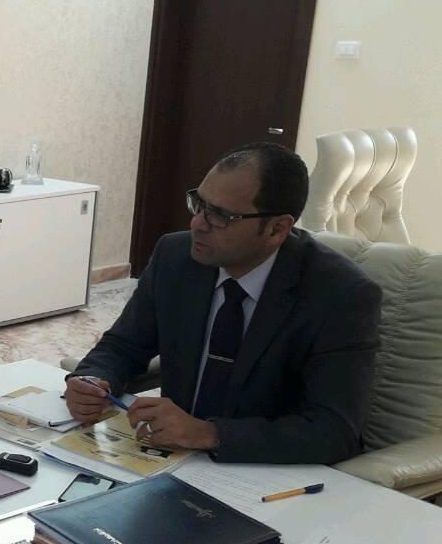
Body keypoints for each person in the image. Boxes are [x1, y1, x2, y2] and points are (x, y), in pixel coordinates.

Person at [65, 142, 381, 465]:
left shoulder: (340, 295)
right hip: (171, 459)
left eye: (221, 216)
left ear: (277, 229)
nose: (197, 224)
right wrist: (91, 378)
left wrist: (209, 433)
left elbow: (335, 431)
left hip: (264, 475)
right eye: (199, 204)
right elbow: (124, 344)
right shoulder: (175, 257)